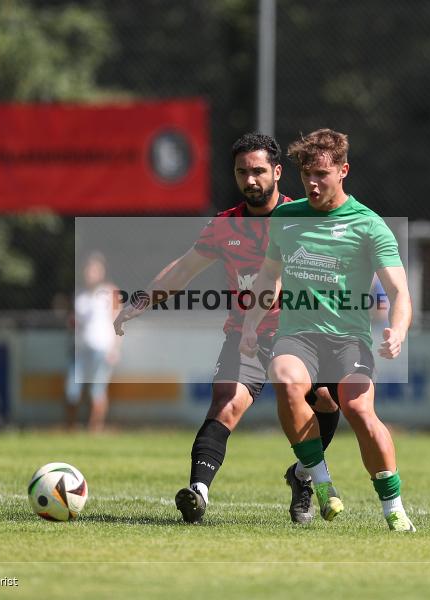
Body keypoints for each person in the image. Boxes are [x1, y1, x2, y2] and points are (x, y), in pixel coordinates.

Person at [113, 133, 340, 524]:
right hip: (244, 336)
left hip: (301, 334)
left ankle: (302, 475)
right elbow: (183, 270)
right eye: (242, 172)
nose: (250, 180)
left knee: (325, 401)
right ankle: (197, 493)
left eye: (258, 171)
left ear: (277, 172)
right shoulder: (224, 226)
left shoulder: (303, 216)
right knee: (226, 404)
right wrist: (141, 300)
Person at [239, 128, 417, 532]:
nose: (313, 184)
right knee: (284, 379)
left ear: (343, 171)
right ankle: (321, 482)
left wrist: (398, 329)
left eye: (321, 174)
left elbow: (398, 290)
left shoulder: (368, 225)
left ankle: (394, 508)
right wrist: (251, 322)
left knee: (358, 410)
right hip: (298, 336)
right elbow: (269, 277)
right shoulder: (285, 218)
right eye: (306, 176)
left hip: (348, 340)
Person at [66, 252, 120, 432]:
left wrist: (115, 348)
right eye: (89, 269)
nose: (91, 273)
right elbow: (75, 323)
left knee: (97, 391)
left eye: (95, 270)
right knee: (72, 390)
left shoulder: (111, 292)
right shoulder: (79, 294)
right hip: (80, 350)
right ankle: (71, 429)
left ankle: (95, 429)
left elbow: (118, 321)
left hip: (102, 349)